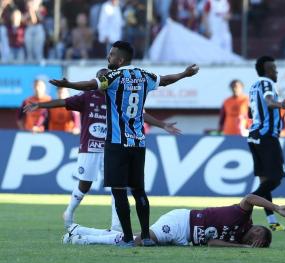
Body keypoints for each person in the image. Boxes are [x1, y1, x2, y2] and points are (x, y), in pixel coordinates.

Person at [49, 41, 199, 247]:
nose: (108, 58)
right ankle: (145, 236)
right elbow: (165, 80)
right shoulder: (145, 75)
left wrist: (69, 85)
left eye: (111, 55)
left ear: (120, 60)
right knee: (139, 191)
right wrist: (184, 74)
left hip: (117, 143)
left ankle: (128, 237)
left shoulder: (113, 77)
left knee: (118, 191)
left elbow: (90, 86)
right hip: (138, 142)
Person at [24, 68, 182, 231]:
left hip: (113, 147)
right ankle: (69, 212)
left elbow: (140, 114)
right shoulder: (87, 97)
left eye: (105, 78)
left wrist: (162, 124)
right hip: (90, 146)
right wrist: (40, 105)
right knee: (85, 184)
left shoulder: (119, 94)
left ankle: (116, 226)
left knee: (117, 186)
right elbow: (63, 102)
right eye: (100, 78)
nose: (102, 81)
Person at [62, 194, 285, 247]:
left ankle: (78, 229)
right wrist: (276, 207)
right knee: (139, 241)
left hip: (184, 238)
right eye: (260, 238)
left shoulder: (237, 239)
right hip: (182, 222)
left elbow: (212, 244)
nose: (258, 240)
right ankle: (81, 240)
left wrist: (245, 247)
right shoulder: (242, 217)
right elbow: (249, 197)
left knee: (138, 237)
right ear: (257, 229)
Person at [247, 56, 285, 232]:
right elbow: (269, 102)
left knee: (265, 180)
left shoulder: (252, 87)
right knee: (276, 177)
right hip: (266, 136)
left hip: (254, 135)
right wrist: (279, 104)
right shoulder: (266, 83)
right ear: (266, 70)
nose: (276, 71)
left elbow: (250, 113)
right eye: (273, 68)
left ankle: (272, 221)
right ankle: (244, 203)